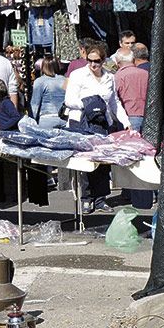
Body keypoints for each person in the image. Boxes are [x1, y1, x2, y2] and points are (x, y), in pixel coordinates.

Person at [64, 41, 130, 213]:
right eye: (91, 60)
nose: (93, 64)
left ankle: (100, 199)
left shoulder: (110, 77)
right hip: (82, 121)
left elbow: (114, 102)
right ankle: (86, 199)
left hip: (102, 123)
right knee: (85, 161)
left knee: (102, 162)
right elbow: (69, 100)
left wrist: (125, 121)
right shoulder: (78, 75)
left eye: (97, 61)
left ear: (103, 60)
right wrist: (90, 104)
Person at [114, 49, 147, 132]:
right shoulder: (146, 74)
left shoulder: (118, 76)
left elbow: (114, 99)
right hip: (148, 116)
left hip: (128, 117)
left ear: (118, 63)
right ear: (133, 60)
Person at [30, 58, 67, 129]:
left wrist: (32, 121)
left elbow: (35, 104)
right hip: (63, 118)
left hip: (47, 119)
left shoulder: (40, 81)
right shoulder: (65, 80)